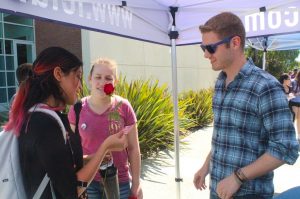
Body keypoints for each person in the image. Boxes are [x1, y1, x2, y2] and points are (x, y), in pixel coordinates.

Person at [193, 12, 299, 199]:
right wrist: (206, 166)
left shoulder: (265, 86)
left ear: (235, 43)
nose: (205, 54)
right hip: (218, 189)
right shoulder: (220, 82)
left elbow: (286, 148)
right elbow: (223, 135)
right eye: (203, 47)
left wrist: (238, 177)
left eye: (210, 47)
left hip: (249, 194)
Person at [4, 47, 128, 199]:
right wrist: (105, 147)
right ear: (58, 74)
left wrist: (90, 158)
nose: (80, 86)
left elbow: (52, 163)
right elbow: (71, 190)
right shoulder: (45, 124)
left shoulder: (34, 115)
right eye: (77, 76)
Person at [68, 58, 143, 199]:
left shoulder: (124, 106)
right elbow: (71, 150)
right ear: (90, 79)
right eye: (98, 77)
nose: (102, 82)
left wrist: (136, 184)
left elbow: (134, 148)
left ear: (116, 82)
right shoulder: (77, 109)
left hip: (120, 183)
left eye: (108, 78)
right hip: (89, 182)